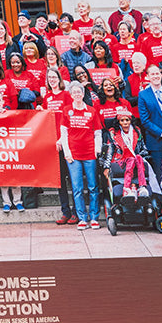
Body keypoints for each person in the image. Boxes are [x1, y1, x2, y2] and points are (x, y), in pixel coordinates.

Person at [60, 81, 103, 229]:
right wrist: (67, 153)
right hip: (73, 155)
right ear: (71, 95)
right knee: (77, 188)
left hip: (89, 153)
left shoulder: (91, 110)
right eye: (74, 92)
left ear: (83, 94)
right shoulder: (66, 110)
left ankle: (94, 217)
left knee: (93, 187)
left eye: (80, 92)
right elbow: (64, 134)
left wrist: (97, 149)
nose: (77, 94)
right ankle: (82, 218)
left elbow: (98, 132)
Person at [39, 67, 76, 224]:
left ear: (60, 79)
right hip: (54, 144)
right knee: (60, 180)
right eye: (50, 77)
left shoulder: (66, 95)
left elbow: (68, 118)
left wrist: (62, 138)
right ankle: (65, 211)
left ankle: (76, 211)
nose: (52, 79)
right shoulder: (47, 97)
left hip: (67, 142)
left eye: (54, 77)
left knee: (73, 179)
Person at [0, 89, 24, 213]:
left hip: (10, 147)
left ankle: (18, 201)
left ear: (3, 101)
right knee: (3, 178)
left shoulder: (9, 113)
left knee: (15, 177)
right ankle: (6, 203)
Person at [102, 106, 150, 198]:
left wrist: (141, 156)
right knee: (131, 160)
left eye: (127, 120)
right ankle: (126, 188)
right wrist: (107, 166)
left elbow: (143, 148)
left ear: (130, 121)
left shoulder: (137, 131)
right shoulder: (113, 133)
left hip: (135, 160)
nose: (125, 123)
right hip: (120, 161)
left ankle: (142, 187)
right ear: (119, 122)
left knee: (137, 158)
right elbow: (110, 150)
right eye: (122, 120)